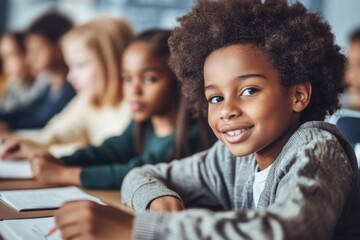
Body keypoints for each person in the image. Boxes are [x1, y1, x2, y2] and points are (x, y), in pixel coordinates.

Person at [54, 1, 360, 239]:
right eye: (215, 98)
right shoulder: (232, 160)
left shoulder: (318, 150)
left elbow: (287, 232)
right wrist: (158, 199)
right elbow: (142, 175)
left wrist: (138, 231)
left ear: (298, 95)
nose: (227, 109)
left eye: (249, 90)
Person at [16, 29, 215, 189]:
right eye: (127, 79)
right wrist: (61, 161)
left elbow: (139, 171)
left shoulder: (192, 134)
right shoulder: (143, 124)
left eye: (149, 79)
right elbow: (110, 150)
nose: (133, 90)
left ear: (179, 81)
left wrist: (63, 174)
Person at [0, 16, 133, 156]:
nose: (70, 77)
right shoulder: (88, 101)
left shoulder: (134, 108)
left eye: (80, 65)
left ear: (111, 62)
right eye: (70, 66)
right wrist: (12, 142)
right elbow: (52, 136)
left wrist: (40, 152)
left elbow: (110, 157)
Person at [0, 12, 75, 130]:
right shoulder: (50, 87)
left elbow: (44, 118)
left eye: (38, 49)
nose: (30, 58)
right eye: (30, 50)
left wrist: (9, 125)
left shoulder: (73, 86)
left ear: (60, 46)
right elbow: (29, 111)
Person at [0, 31, 37, 113]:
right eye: (4, 59)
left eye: (11, 55)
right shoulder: (13, 85)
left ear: (27, 53)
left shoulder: (45, 83)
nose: (6, 65)